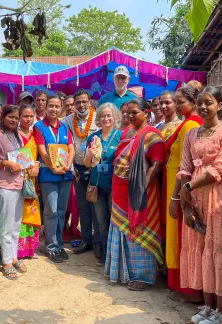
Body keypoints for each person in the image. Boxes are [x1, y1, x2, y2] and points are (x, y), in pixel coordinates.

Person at [177, 86, 222, 324]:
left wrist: (189, 187)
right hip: (193, 196)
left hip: (217, 196)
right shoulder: (192, 134)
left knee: (218, 248)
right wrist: (186, 203)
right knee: (200, 245)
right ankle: (207, 306)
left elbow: (221, 168)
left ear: (220, 105)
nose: (203, 107)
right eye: (200, 103)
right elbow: (185, 167)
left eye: (209, 102)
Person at [105, 98, 165, 291]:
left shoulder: (152, 135)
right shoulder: (126, 132)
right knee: (121, 229)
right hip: (120, 190)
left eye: (134, 112)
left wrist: (142, 186)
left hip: (140, 192)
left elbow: (157, 164)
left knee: (140, 229)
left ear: (147, 112)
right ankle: (124, 272)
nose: (130, 116)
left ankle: (144, 276)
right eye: (127, 113)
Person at [164, 86, 204, 304]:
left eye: (181, 102)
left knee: (181, 236)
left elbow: (188, 163)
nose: (177, 106)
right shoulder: (187, 123)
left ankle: (187, 287)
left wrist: (177, 195)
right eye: (176, 102)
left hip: (180, 185)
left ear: (194, 102)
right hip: (175, 183)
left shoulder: (191, 124)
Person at [0, 105, 29, 280]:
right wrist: (6, 163)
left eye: (16, 117)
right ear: (3, 117)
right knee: (6, 225)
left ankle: (14, 257)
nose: (13, 120)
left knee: (16, 224)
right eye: (10, 117)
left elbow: (19, 156)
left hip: (18, 184)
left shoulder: (15, 134)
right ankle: (6, 262)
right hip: (5, 185)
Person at [34, 95, 75, 263]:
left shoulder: (65, 127)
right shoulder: (39, 127)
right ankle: (51, 247)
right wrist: (53, 167)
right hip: (48, 175)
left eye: (57, 107)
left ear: (62, 108)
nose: (54, 109)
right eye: (51, 106)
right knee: (50, 211)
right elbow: (42, 151)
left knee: (61, 211)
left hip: (65, 175)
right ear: (46, 107)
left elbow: (71, 149)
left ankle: (58, 244)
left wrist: (67, 165)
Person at [62, 90, 100, 257]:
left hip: (95, 168)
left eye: (84, 102)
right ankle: (86, 239)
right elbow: (64, 144)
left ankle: (98, 241)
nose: (81, 105)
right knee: (83, 205)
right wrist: (71, 168)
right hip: (77, 168)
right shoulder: (68, 121)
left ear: (90, 101)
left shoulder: (99, 118)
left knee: (96, 205)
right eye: (78, 102)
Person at [83, 103, 122, 266]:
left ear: (115, 117)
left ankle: (116, 254)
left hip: (114, 186)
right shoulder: (93, 137)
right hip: (97, 185)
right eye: (103, 116)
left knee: (115, 220)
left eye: (109, 115)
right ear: (98, 118)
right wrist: (89, 154)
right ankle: (105, 254)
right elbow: (86, 164)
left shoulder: (120, 136)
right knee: (101, 221)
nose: (106, 118)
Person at [16, 105, 41, 260]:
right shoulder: (14, 134)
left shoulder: (35, 134)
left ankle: (31, 248)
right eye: (25, 116)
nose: (28, 119)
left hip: (32, 178)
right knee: (18, 212)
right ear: (19, 117)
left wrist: (37, 165)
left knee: (31, 211)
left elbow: (38, 154)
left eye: (31, 116)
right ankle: (18, 250)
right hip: (18, 176)